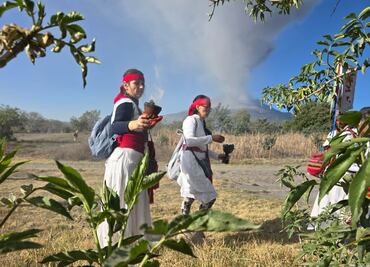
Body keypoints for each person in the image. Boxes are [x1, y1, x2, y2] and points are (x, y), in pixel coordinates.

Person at [97, 68, 156, 247]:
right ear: (125, 85)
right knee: (123, 199)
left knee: (131, 200)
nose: (141, 87)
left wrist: (144, 123)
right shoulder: (124, 102)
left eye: (142, 83)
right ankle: (115, 243)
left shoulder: (133, 104)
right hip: (125, 158)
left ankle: (132, 241)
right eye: (136, 83)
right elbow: (115, 127)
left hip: (134, 158)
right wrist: (135, 123)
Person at [177, 95, 226, 216]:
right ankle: (197, 224)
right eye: (205, 107)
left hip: (197, 161)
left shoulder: (201, 122)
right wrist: (212, 137)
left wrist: (218, 156)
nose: (208, 110)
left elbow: (202, 148)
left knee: (191, 194)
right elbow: (189, 141)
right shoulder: (191, 120)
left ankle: (186, 224)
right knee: (210, 196)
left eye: (209, 107)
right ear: (197, 107)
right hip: (191, 162)